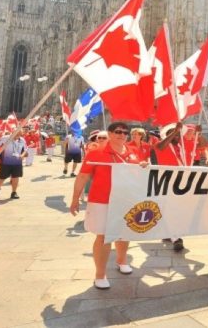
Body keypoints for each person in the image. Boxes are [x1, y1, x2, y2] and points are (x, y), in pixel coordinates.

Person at [69, 121, 147, 289]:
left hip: (126, 200)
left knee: (124, 233)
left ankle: (122, 261)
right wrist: (75, 199)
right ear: (110, 134)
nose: (122, 135)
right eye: (118, 131)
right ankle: (100, 274)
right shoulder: (96, 153)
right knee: (103, 236)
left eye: (125, 132)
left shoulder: (133, 152)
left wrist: (143, 167)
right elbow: (82, 176)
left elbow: (139, 174)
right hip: (101, 200)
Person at [153, 123, 195, 252]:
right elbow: (160, 147)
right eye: (172, 133)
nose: (176, 136)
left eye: (177, 134)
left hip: (181, 179)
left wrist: (197, 132)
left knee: (177, 208)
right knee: (172, 208)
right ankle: (176, 238)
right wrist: (175, 131)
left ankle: (169, 233)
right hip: (167, 179)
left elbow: (201, 145)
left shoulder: (181, 146)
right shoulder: (161, 144)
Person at [0, 130, 26, 199]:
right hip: (6, 162)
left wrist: (22, 156)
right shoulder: (5, 138)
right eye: (17, 134)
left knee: (15, 177)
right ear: (13, 133)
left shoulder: (22, 140)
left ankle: (14, 192)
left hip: (17, 162)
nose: (18, 136)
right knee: (2, 177)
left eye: (20, 134)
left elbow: (25, 150)